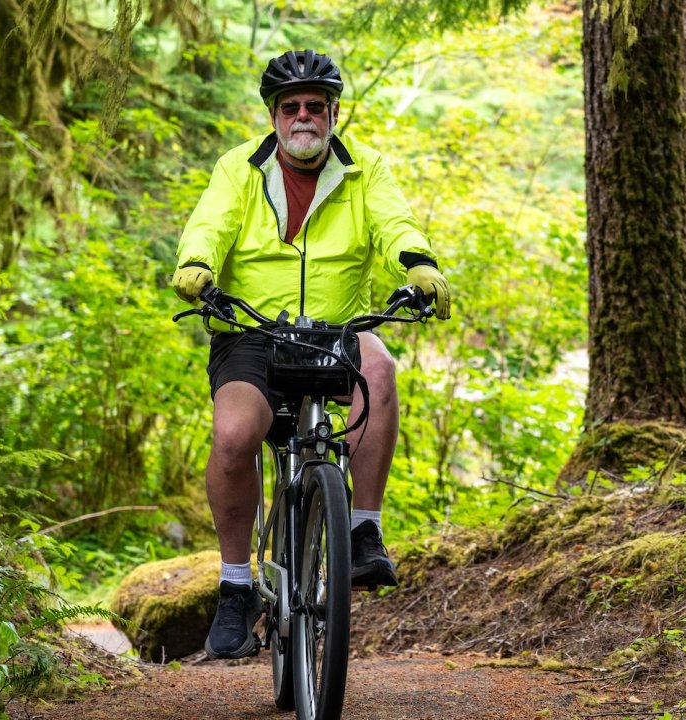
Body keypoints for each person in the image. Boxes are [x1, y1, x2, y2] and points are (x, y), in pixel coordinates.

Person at [171, 49, 452, 660]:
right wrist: (196, 266)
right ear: (274, 115)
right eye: (292, 106)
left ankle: (363, 530)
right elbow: (208, 226)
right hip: (251, 330)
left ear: (333, 113)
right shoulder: (238, 169)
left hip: (335, 328)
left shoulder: (365, 169)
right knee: (235, 433)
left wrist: (420, 264)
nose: (305, 116)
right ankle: (235, 585)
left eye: (316, 107)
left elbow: (395, 224)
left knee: (379, 365)